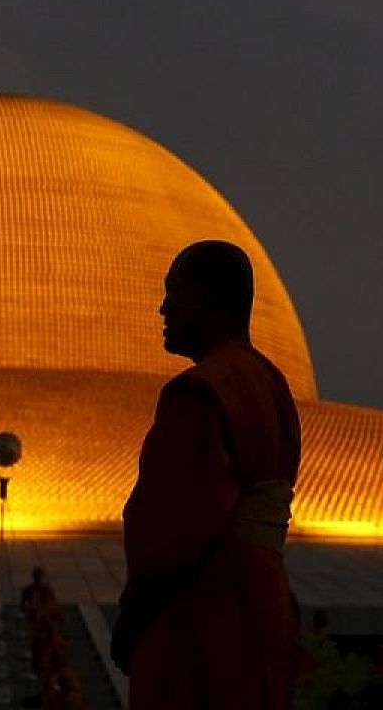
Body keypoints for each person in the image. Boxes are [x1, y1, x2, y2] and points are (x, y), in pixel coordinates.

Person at [112, 241, 302, 709]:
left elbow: (176, 529)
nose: (163, 307)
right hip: (266, 606)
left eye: (173, 292)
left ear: (209, 297)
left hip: (206, 618)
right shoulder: (270, 382)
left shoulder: (200, 392)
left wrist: (133, 618)